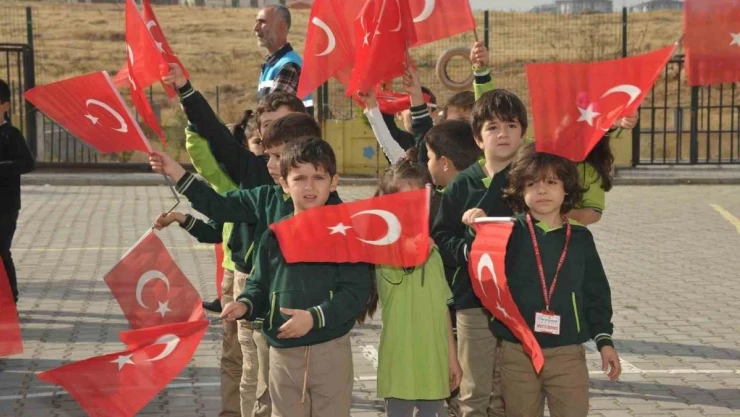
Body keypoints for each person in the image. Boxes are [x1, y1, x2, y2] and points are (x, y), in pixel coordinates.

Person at [150, 112, 325, 417]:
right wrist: (176, 171)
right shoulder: (266, 198)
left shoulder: (333, 212)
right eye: (268, 155)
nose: (268, 164)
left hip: (316, 331)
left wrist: (320, 315)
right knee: (258, 387)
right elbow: (219, 206)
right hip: (265, 320)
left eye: (276, 156)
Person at [220, 137, 372, 417]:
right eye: (299, 178)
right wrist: (245, 303)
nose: (309, 186)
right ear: (284, 184)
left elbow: (355, 293)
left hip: (330, 348)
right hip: (282, 352)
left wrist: (314, 318)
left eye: (318, 177)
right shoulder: (274, 235)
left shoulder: (348, 235)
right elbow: (259, 282)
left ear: (334, 182)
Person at [465, 143, 620, 417]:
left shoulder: (581, 238)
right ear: (519, 189)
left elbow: (596, 292)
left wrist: (604, 340)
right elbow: (483, 272)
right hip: (518, 350)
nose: (542, 190)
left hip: (567, 352)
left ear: (566, 188)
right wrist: (476, 228)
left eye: (551, 182)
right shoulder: (508, 233)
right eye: (532, 183)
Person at [432, 89, 528, 417]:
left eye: (511, 125)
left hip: (519, 300)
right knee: (474, 392)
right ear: (477, 137)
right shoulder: (462, 184)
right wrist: (469, 248)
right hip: (473, 302)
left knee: (508, 393)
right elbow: (441, 237)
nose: (503, 134)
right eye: (492, 127)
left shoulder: (531, 182)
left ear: (523, 133)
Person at [357, 157, 462, 417]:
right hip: (400, 364)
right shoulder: (383, 249)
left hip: (434, 362)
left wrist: (452, 359)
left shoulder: (434, 254)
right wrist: (416, 247)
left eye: (417, 201)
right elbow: (403, 256)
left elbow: (443, 311)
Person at [0, 78, 35, 305]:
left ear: (5, 105)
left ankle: (9, 300)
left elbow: (27, 163)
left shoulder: (11, 134)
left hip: (6, 205)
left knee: (1, 251)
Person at [254, 5, 313, 113]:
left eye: (262, 22)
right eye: (256, 22)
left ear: (280, 26)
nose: (256, 28)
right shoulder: (274, 64)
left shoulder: (289, 66)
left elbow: (271, 113)